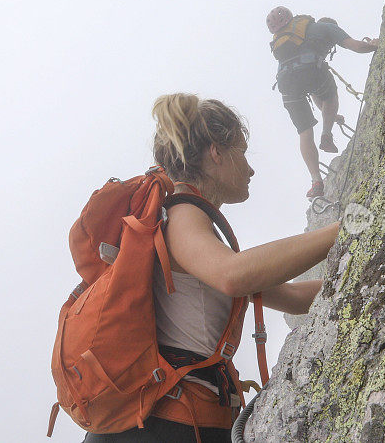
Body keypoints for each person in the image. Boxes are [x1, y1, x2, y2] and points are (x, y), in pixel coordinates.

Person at [82, 93, 339, 442]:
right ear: (216, 153)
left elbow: (293, 297)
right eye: (242, 153)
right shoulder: (183, 214)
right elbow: (233, 275)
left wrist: (363, 267)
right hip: (166, 424)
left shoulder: (193, 230)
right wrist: (348, 228)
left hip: (170, 422)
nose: (250, 168)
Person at [267, 6, 379, 198]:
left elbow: (313, 93)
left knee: (304, 132)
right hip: (313, 72)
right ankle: (326, 134)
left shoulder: (293, 36)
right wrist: (377, 44)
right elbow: (357, 46)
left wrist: (332, 115)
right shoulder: (327, 27)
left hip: (286, 82)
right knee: (330, 93)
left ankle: (316, 180)